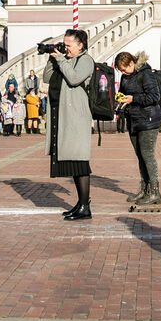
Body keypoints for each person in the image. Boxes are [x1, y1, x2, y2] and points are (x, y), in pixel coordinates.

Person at [44, 29, 94, 220]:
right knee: (71, 161)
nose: (65, 49)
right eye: (63, 45)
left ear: (80, 45)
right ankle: (81, 203)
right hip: (62, 116)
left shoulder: (86, 60)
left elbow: (73, 78)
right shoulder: (64, 59)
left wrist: (62, 60)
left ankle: (85, 206)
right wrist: (52, 58)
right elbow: (47, 78)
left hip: (76, 117)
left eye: (68, 45)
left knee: (79, 160)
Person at [114, 51, 161, 205]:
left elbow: (154, 96)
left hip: (148, 119)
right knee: (140, 155)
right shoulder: (125, 77)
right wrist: (120, 98)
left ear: (131, 63)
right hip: (133, 119)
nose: (123, 73)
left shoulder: (146, 74)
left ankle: (155, 192)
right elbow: (124, 92)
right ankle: (145, 189)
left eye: (124, 69)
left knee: (147, 154)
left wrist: (133, 98)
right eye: (120, 70)